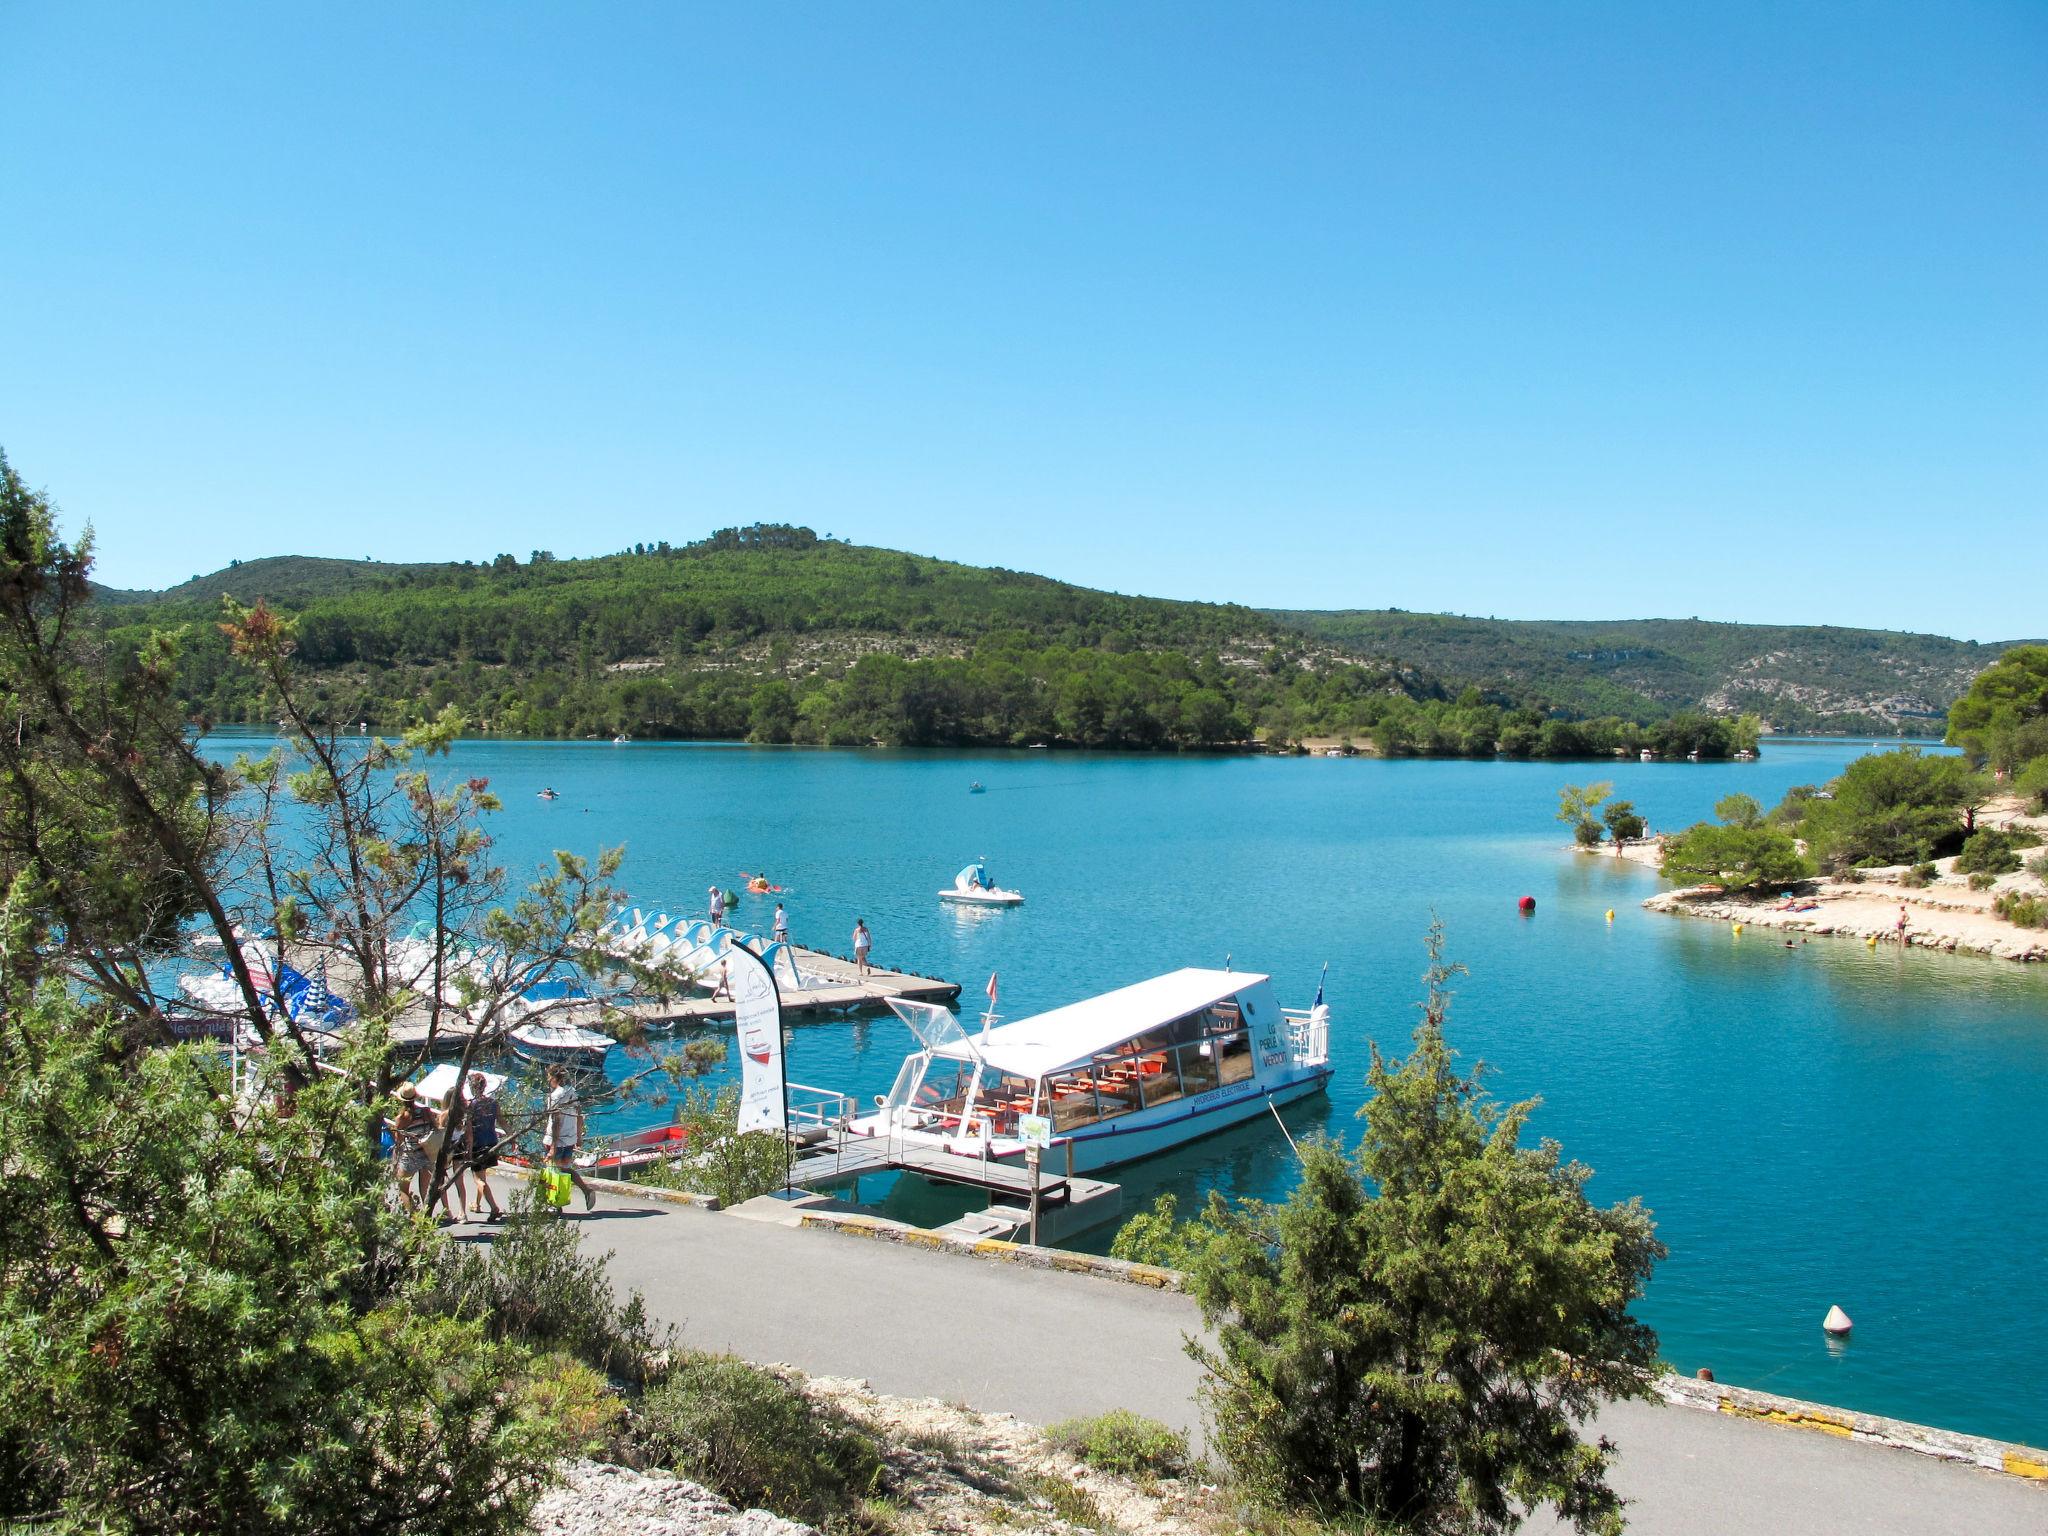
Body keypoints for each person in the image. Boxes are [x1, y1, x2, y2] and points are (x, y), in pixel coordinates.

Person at [543, 1064, 597, 1212]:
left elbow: (555, 1122)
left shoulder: (555, 1096)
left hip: (557, 1140)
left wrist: (553, 1147)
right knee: (564, 1170)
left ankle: (556, 1204)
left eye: (549, 1076)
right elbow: (580, 1116)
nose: (548, 1079)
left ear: (554, 1077)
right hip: (570, 1139)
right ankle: (586, 1191)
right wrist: (578, 1136)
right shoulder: (572, 1093)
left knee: (553, 1171)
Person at [462, 1070, 504, 1220]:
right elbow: (502, 1121)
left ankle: (494, 1207)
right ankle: (477, 1204)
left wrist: (468, 1150)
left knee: (478, 1179)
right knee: (482, 1175)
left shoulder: (471, 1106)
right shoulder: (493, 1103)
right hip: (491, 1142)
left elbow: (470, 1132)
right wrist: (512, 1137)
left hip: (478, 1145)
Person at [388, 1083, 430, 1214]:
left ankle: (412, 1217)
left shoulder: (401, 1118)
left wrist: (395, 1162)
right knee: (425, 1191)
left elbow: (398, 1141)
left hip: (410, 1155)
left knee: (403, 1188)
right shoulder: (425, 1112)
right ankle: (427, 1217)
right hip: (426, 1153)